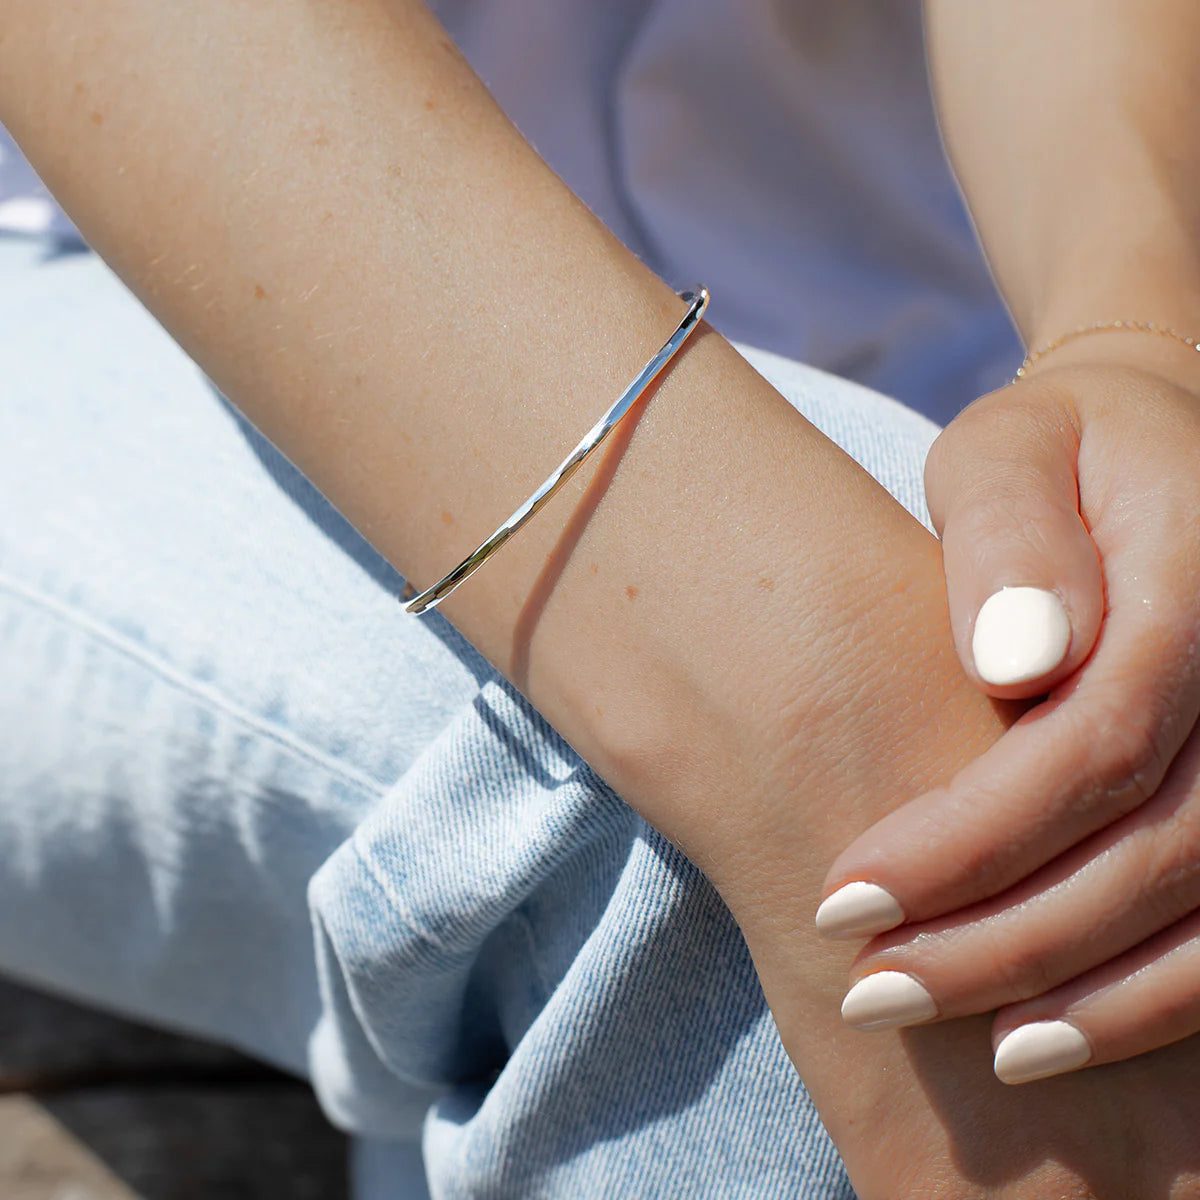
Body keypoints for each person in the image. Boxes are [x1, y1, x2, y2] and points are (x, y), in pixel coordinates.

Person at [1, 1, 1199, 1197]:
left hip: (889, 259)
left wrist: (1134, 336)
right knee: (841, 865)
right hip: (92, 247)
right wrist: (801, 698)